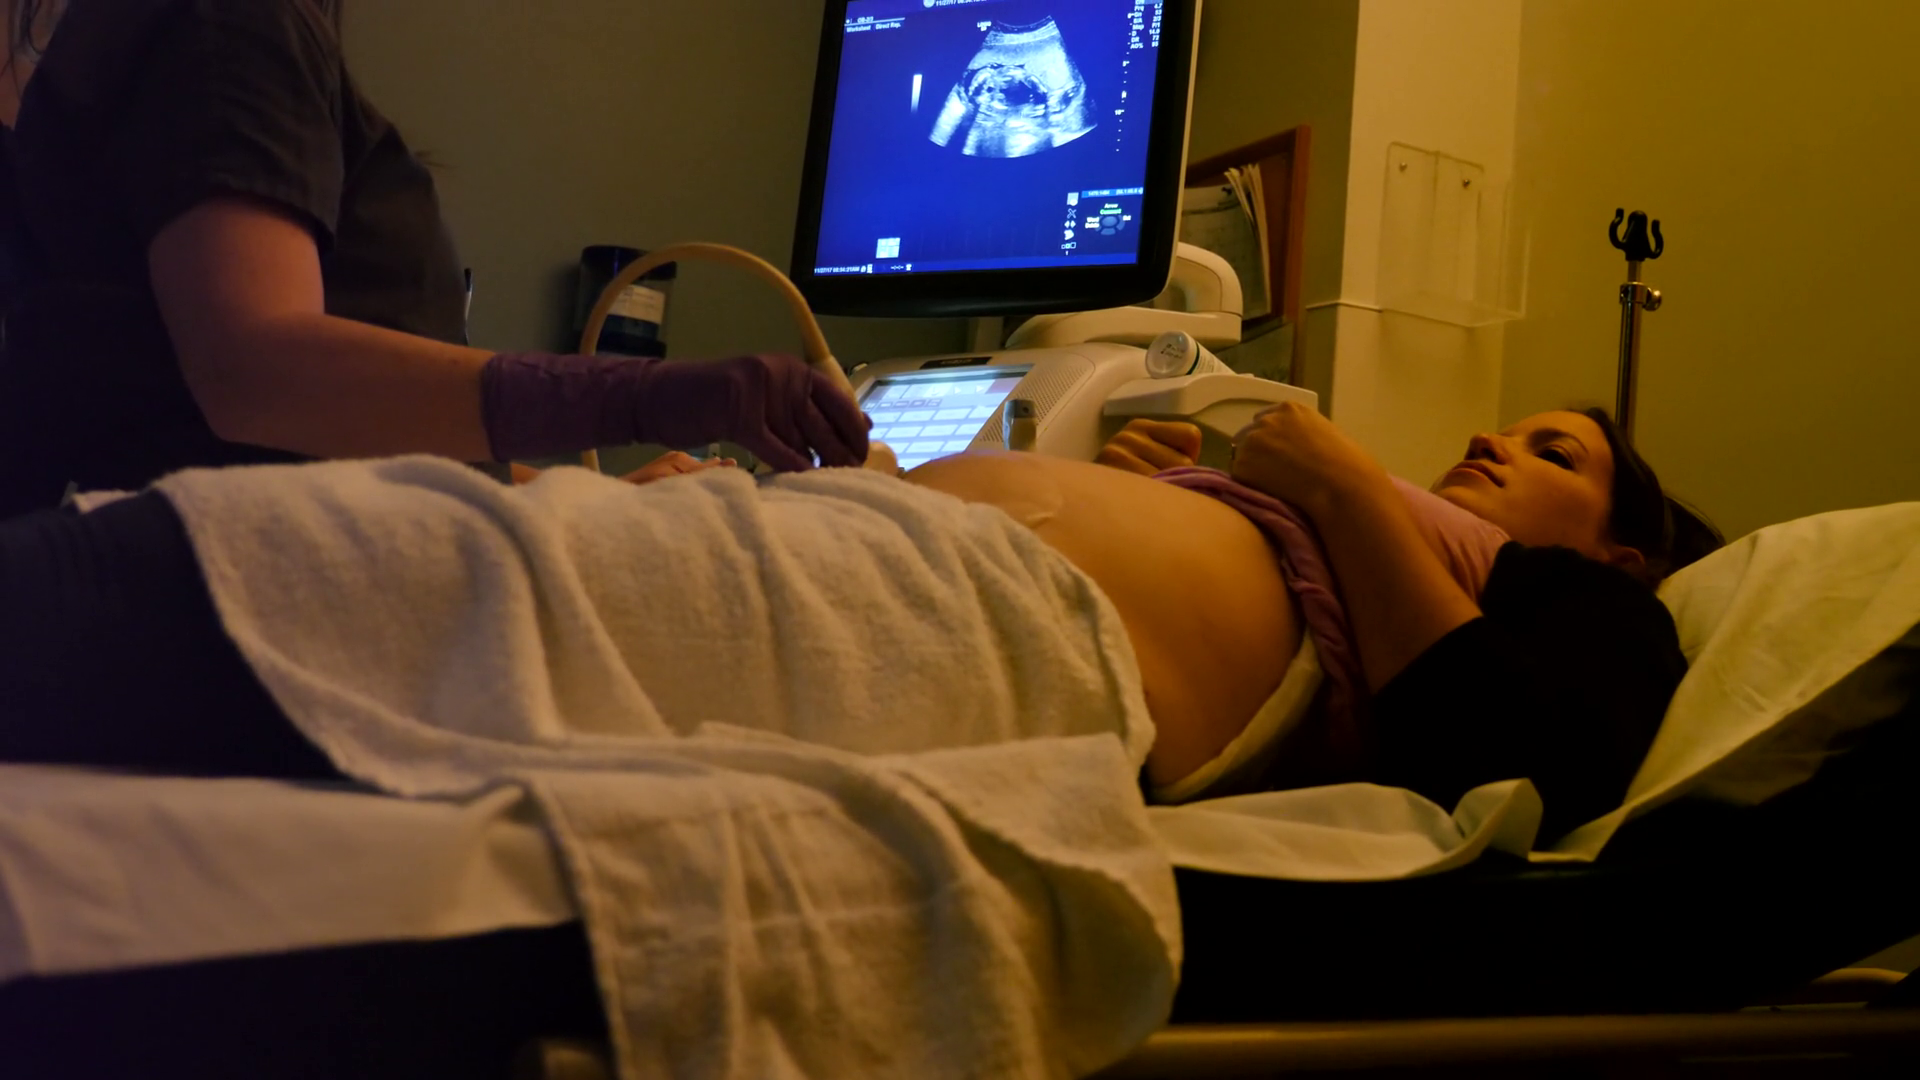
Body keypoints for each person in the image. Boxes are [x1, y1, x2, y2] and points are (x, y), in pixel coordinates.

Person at [0, 399, 1722, 842]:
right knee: (370, 554)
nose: (1494, 447)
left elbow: (1502, 757)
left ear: (1628, 549)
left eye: (1555, 453)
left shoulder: (1590, 612)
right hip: (906, 572)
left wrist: (1337, 479)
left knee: (334, 579)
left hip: (998, 629)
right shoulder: (1379, 532)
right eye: (1500, 431)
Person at [0, 0, 864, 518]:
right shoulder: (225, 23)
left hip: (258, 556)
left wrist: (581, 507)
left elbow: (299, 435)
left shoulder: (150, 41)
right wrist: (656, 396)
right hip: (246, 594)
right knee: (896, 529)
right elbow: (256, 376)